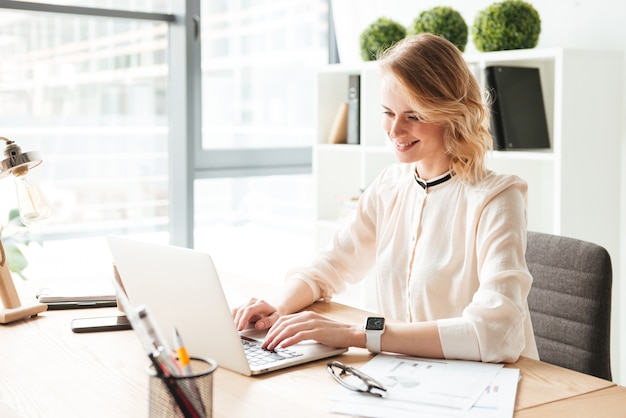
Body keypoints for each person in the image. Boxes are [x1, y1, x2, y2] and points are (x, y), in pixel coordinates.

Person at [233, 33, 539, 363]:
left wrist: (355, 334)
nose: (394, 130)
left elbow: (496, 332)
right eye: (388, 112)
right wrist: (277, 308)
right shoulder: (390, 185)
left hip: (484, 388)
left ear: (451, 113)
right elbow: (331, 264)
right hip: (399, 373)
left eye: (414, 116)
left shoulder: (497, 198)